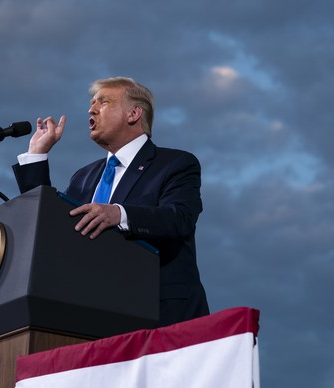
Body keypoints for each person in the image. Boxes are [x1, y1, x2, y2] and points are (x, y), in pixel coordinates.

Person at [12, 77, 209, 327]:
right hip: (90, 318)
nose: (91, 109)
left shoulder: (175, 164)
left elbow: (180, 218)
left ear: (134, 113)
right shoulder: (83, 177)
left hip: (160, 314)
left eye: (103, 102)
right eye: (92, 103)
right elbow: (49, 228)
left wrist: (120, 214)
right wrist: (36, 155)